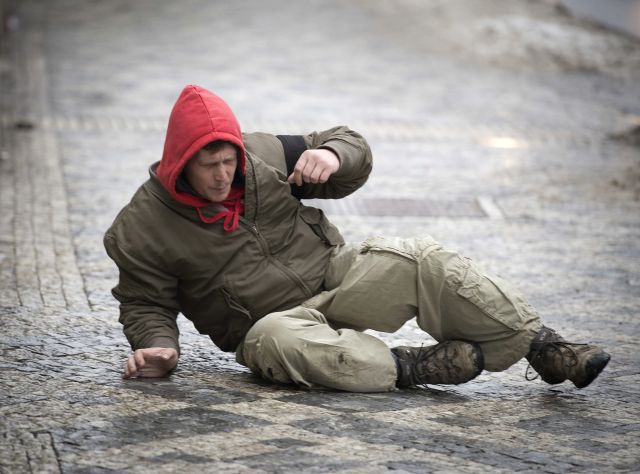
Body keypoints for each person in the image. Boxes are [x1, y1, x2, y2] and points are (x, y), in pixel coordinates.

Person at [104, 84, 610, 392]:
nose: (222, 175)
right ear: (179, 160)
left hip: (332, 272)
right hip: (269, 324)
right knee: (279, 340)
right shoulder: (141, 226)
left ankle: (542, 348)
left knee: (422, 259)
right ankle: (408, 368)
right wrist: (159, 348)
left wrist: (333, 157)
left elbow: (348, 142)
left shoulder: (261, 154)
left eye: (228, 160)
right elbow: (144, 303)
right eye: (208, 165)